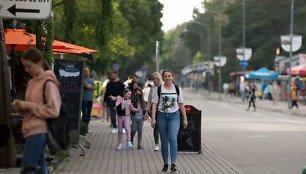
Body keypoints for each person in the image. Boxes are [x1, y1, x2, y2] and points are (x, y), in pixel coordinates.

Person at [11, 48, 61, 174]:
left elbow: (54, 111)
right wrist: (21, 107)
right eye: (24, 67)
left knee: (28, 168)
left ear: (39, 63)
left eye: (29, 66)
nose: (26, 70)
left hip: (40, 130)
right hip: (30, 130)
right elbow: (33, 106)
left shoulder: (48, 83)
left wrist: (29, 105)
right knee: (39, 169)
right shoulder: (31, 83)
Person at [150, 69, 188, 172]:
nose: (167, 78)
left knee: (172, 138)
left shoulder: (177, 89)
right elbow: (154, 104)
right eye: (165, 76)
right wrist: (153, 119)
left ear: (172, 77)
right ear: (163, 78)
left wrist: (184, 118)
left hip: (174, 116)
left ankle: (173, 163)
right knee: (164, 141)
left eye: (169, 76)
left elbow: (180, 104)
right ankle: (166, 163)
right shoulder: (158, 89)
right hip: (161, 116)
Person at [145, 72, 162, 151]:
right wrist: (146, 111)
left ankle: (165, 142)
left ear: (157, 79)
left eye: (153, 79)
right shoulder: (152, 89)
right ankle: (156, 144)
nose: (153, 81)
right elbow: (149, 101)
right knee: (156, 126)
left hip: (163, 109)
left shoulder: (164, 87)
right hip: (154, 110)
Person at [81, 68, 96, 135]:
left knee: (89, 114)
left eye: (87, 71)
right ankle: (83, 128)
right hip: (83, 99)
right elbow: (85, 85)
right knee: (85, 113)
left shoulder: (91, 80)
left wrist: (88, 86)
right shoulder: (81, 79)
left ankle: (86, 127)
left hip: (90, 99)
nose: (86, 73)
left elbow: (95, 87)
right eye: (85, 71)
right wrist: (89, 86)